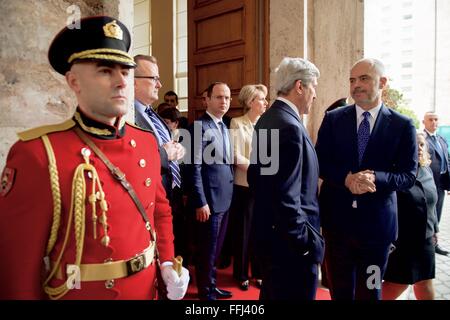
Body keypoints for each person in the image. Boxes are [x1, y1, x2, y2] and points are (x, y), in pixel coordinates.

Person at [0, 16, 188, 300]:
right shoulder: (38, 154)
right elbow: (18, 269)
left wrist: (166, 262)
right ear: (74, 81)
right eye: (105, 71)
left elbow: (159, 210)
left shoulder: (146, 142)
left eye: (125, 71)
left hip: (146, 289)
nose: (120, 81)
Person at [315, 58, 417, 300]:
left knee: (370, 291)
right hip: (337, 228)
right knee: (339, 292)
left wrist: (375, 178)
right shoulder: (333, 119)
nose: (356, 85)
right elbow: (319, 161)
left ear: (383, 82)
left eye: (363, 79)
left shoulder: (403, 126)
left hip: (376, 232)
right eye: (352, 80)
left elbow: (408, 175)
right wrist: (346, 178)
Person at [247, 57, 324, 300]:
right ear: (300, 86)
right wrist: (305, 243)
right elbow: (286, 196)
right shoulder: (289, 126)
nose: (314, 95)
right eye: (313, 88)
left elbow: (256, 177)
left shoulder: (268, 119)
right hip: (292, 247)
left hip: (272, 239)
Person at [133, 55, 187, 262]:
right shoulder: (129, 114)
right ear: (134, 81)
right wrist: (165, 154)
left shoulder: (151, 113)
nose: (160, 84)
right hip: (146, 196)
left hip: (166, 190)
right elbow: (136, 157)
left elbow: (165, 143)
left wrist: (176, 149)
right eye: (154, 78)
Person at [186, 82, 234, 300]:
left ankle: (211, 286)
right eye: (219, 97)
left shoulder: (223, 125)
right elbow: (193, 168)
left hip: (224, 198)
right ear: (207, 99)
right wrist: (200, 202)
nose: (223, 101)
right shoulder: (199, 127)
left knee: (216, 250)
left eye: (227, 98)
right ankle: (205, 293)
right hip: (209, 202)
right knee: (206, 250)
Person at [382, 133, 439, 300]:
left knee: (425, 281)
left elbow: (432, 203)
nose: (420, 148)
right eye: (416, 145)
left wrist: (435, 229)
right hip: (403, 241)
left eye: (422, 145)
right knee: (397, 283)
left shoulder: (427, 170)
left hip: (426, 239)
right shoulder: (396, 173)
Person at [229, 84, 268, 290]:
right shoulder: (237, 123)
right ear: (251, 102)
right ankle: (241, 273)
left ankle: (259, 272)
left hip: (263, 186)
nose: (265, 103)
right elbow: (235, 155)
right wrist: (257, 170)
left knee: (261, 230)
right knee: (243, 232)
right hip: (243, 185)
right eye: (261, 99)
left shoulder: (267, 123)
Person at [423, 111, 450, 256]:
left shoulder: (441, 139)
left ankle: (435, 243)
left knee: (437, 215)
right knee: (429, 216)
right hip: (429, 185)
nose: (434, 122)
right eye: (431, 120)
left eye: (436, 120)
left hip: (441, 185)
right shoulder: (422, 139)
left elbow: (447, 160)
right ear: (424, 122)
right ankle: (428, 244)